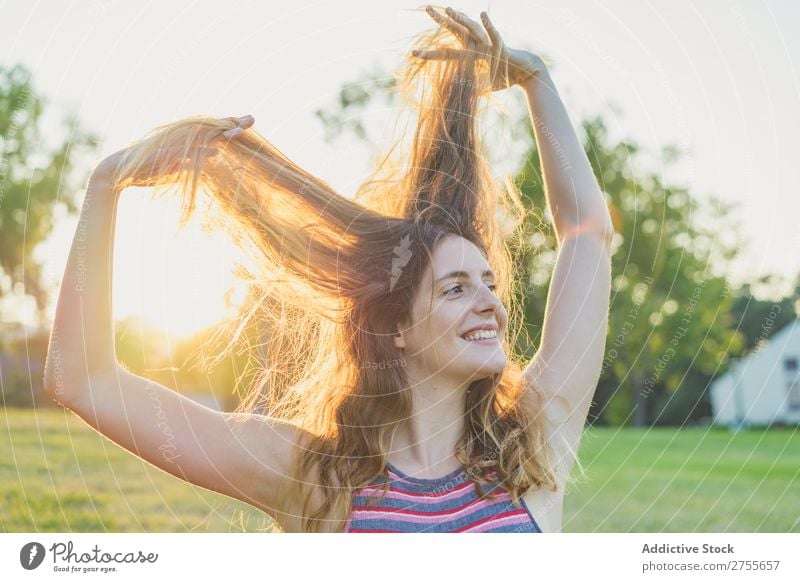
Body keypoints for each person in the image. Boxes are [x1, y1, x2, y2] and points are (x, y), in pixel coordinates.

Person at [43, 5, 613, 533]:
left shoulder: (532, 443)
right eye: (456, 288)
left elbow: (587, 231)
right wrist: (105, 186)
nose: (491, 301)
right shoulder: (314, 477)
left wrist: (536, 80)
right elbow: (82, 380)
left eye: (488, 282)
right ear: (395, 328)